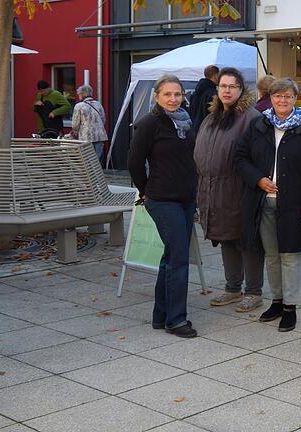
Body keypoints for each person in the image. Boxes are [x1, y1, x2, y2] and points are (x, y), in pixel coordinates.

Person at [235, 78, 301, 332]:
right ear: (270, 98)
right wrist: (258, 179)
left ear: (295, 99)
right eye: (277, 96)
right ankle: (276, 301)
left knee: (290, 256)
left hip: (293, 204)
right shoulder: (258, 124)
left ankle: (290, 308)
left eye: (287, 96)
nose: (282, 100)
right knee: (272, 257)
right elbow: (240, 158)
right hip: (263, 202)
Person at [127, 74, 198, 338]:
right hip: (162, 199)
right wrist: (146, 191)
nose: (173, 99)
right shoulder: (149, 124)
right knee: (179, 257)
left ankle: (161, 315)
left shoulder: (187, 122)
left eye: (177, 94)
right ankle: (176, 320)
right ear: (157, 96)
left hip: (186, 199)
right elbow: (134, 162)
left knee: (171, 257)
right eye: (167, 94)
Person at [194, 67, 265, 313]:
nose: (227, 90)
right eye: (223, 86)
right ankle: (233, 288)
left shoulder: (251, 118)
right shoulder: (211, 117)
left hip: (240, 190)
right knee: (226, 238)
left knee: (247, 241)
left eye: (232, 86)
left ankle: (254, 291)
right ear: (217, 89)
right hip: (214, 190)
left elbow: (259, 159)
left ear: (240, 90)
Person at [70, 85, 108, 164]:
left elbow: (75, 124)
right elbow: (103, 119)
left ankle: (90, 176)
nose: (78, 96)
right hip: (100, 135)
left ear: (83, 94)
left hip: (86, 136)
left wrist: (75, 132)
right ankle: (97, 175)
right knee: (97, 160)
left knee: (87, 160)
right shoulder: (98, 104)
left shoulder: (79, 106)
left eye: (79, 94)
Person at [189, 65, 219, 136]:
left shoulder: (194, 94)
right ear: (215, 76)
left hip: (194, 130)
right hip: (208, 131)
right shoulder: (213, 94)